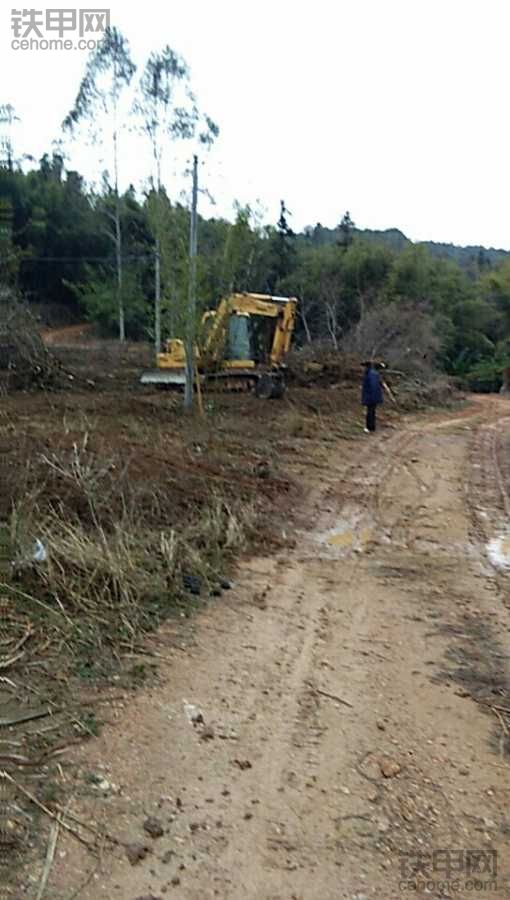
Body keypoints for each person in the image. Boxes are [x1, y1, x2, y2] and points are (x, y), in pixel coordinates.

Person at [361, 360, 383, 433]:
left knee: (370, 412)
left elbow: (373, 386)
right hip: (372, 396)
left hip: (370, 396)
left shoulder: (370, 374)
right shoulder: (373, 373)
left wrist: (372, 397)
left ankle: (369, 427)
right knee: (372, 411)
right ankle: (372, 427)